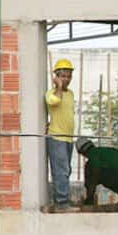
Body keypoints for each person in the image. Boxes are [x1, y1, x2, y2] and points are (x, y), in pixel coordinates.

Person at [45, 58, 76, 210]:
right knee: (60, 170)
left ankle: (63, 200)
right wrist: (58, 86)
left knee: (67, 170)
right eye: (63, 76)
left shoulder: (70, 94)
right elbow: (54, 102)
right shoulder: (51, 93)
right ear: (56, 76)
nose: (66, 79)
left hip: (68, 138)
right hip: (56, 137)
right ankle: (62, 203)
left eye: (68, 76)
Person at [76, 137, 118, 204]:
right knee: (107, 179)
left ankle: (90, 200)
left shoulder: (93, 154)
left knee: (91, 170)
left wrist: (90, 188)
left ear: (82, 151)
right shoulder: (104, 150)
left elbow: (95, 172)